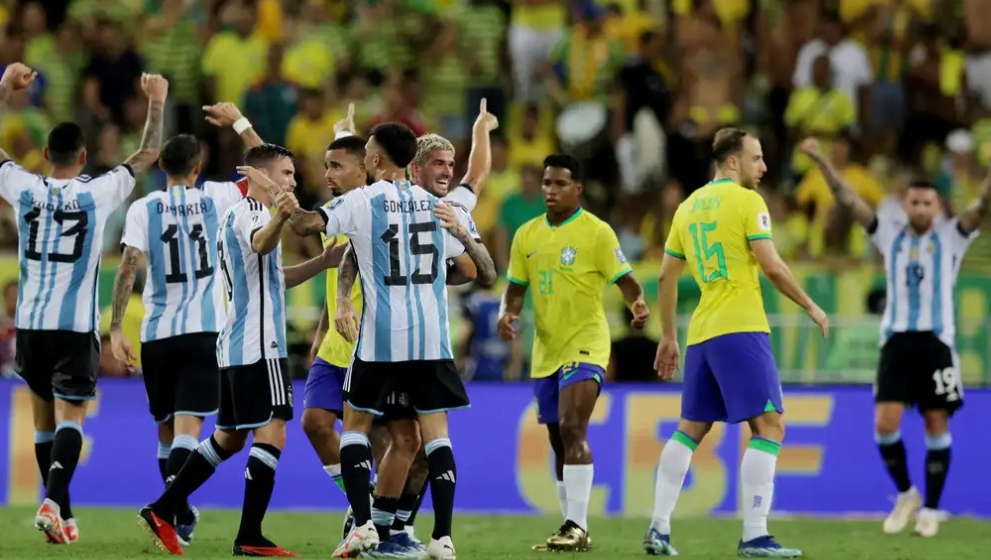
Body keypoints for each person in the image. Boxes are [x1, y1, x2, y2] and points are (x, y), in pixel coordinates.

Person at [0, 62, 167, 545]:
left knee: (44, 419)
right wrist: (157, 101)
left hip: (31, 325)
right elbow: (147, 154)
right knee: (72, 417)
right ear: (83, 156)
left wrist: (2, 89)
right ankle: (53, 502)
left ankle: (61, 510)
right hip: (75, 325)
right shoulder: (98, 191)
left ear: (44, 154)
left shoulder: (24, 186)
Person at [281, 122, 494, 560]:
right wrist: (462, 236)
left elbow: (307, 227)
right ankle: (444, 539)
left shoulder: (361, 201)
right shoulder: (442, 207)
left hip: (379, 340)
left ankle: (363, 526)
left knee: (355, 429)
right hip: (432, 342)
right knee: (436, 439)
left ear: (374, 161)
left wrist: (285, 203)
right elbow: (487, 274)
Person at [137, 144, 339, 557]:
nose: (293, 181)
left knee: (227, 439)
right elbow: (263, 244)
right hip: (259, 344)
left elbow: (273, 276)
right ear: (263, 176)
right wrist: (282, 214)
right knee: (274, 430)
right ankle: (249, 534)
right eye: (286, 173)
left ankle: (162, 508)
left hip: (236, 343)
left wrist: (323, 261)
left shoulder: (241, 215)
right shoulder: (251, 213)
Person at [644, 129, 828, 558]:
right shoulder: (747, 202)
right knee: (770, 425)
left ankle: (658, 528)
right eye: (757, 158)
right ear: (732, 162)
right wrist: (810, 305)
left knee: (690, 428)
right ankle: (755, 535)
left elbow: (665, 276)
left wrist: (669, 335)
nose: (763, 167)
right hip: (741, 326)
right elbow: (772, 265)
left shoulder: (687, 208)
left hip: (702, 333)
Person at [801, 137, 990, 538]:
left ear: (937, 208)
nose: (920, 208)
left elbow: (982, 205)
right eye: (914, 202)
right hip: (896, 343)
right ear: (905, 206)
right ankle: (907, 493)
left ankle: (932, 510)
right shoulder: (890, 237)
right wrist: (821, 162)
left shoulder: (952, 238)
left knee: (935, 422)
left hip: (937, 343)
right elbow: (849, 200)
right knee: (885, 425)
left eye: (927, 203)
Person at [331, 102, 500, 547]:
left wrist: (482, 129)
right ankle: (373, 520)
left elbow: (477, 178)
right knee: (394, 438)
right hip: (377, 337)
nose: (449, 173)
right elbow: (350, 251)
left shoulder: (450, 207)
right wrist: (343, 298)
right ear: (416, 166)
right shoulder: (384, 197)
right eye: (439, 164)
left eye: (451, 163)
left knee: (413, 443)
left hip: (415, 340)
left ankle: (391, 527)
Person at [497, 153, 649, 552]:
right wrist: (507, 315)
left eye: (560, 184)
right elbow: (515, 289)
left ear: (577, 189)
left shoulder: (597, 233)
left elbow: (627, 280)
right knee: (557, 438)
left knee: (570, 426)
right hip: (545, 350)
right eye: (547, 183)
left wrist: (638, 305)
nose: (550, 190)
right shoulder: (526, 235)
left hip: (587, 343)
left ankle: (577, 525)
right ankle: (571, 529)